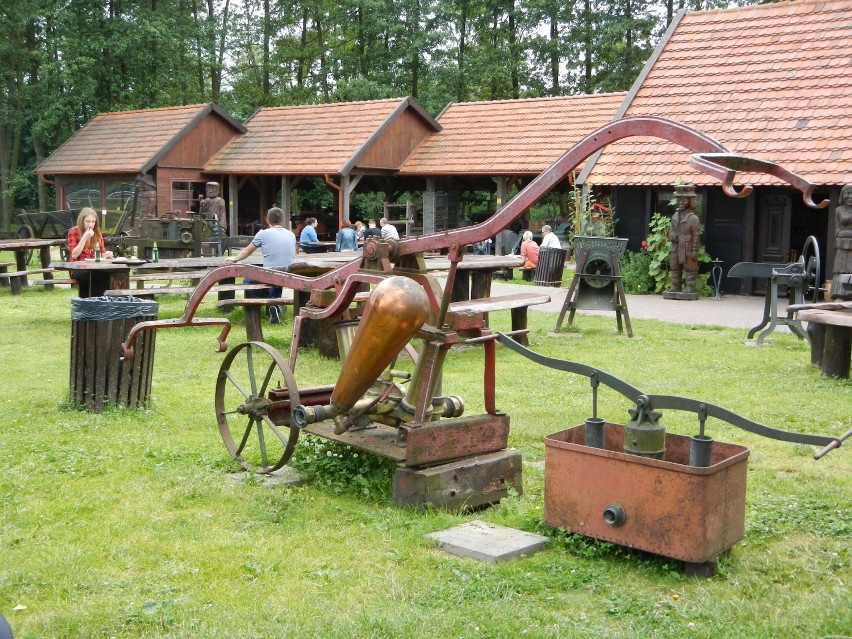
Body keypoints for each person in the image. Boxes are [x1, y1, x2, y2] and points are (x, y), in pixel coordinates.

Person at [225, 207, 296, 324]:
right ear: (283, 220)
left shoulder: (263, 234)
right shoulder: (291, 234)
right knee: (276, 279)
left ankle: (258, 310)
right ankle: (274, 304)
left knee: (248, 282)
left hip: (271, 274)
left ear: (267, 220)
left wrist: (235, 259)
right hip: (289, 274)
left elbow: (247, 251)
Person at [67, 207, 114, 297]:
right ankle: (92, 303)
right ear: (82, 221)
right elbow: (74, 254)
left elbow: (102, 253)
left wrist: (107, 255)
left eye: (93, 222)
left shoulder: (97, 233)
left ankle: (101, 302)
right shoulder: (73, 231)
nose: (90, 224)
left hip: (95, 267)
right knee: (96, 275)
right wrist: (84, 237)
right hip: (79, 268)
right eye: (88, 221)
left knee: (106, 275)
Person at [667, 183, 701, 295]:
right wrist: (672, 235)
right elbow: (671, 230)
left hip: (687, 245)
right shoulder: (674, 216)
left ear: (690, 201)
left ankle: (690, 287)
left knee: (690, 267)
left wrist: (695, 250)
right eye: (679, 200)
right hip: (675, 246)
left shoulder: (693, 219)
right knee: (674, 267)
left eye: (684, 200)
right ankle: (675, 286)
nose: (681, 203)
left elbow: (696, 236)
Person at [830, 183, 852, 300]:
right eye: (848, 194)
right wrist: (843, 233)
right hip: (842, 245)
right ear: (842, 195)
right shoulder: (839, 210)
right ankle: (840, 293)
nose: (850, 197)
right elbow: (837, 230)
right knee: (840, 267)